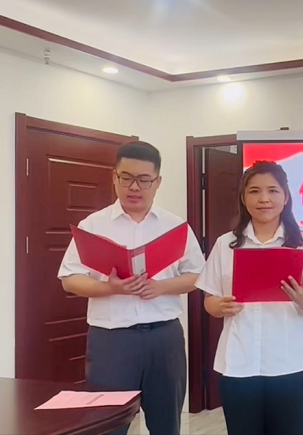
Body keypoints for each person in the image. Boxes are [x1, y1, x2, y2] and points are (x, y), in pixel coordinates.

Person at [57, 141, 205, 435]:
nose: (134, 187)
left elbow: (198, 275)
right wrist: (111, 288)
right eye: (126, 178)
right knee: (107, 425)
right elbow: (69, 279)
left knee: (166, 424)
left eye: (144, 180)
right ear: (114, 177)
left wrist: (161, 287)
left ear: (157, 182)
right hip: (112, 340)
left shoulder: (175, 226)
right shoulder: (93, 225)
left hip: (164, 339)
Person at [195, 160, 303, 435]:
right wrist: (220, 306)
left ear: (286, 197)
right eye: (254, 191)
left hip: (291, 363)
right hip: (239, 362)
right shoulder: (226, 244)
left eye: (273, 190)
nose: (264, 199)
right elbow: (209, 300)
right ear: (243, 198)